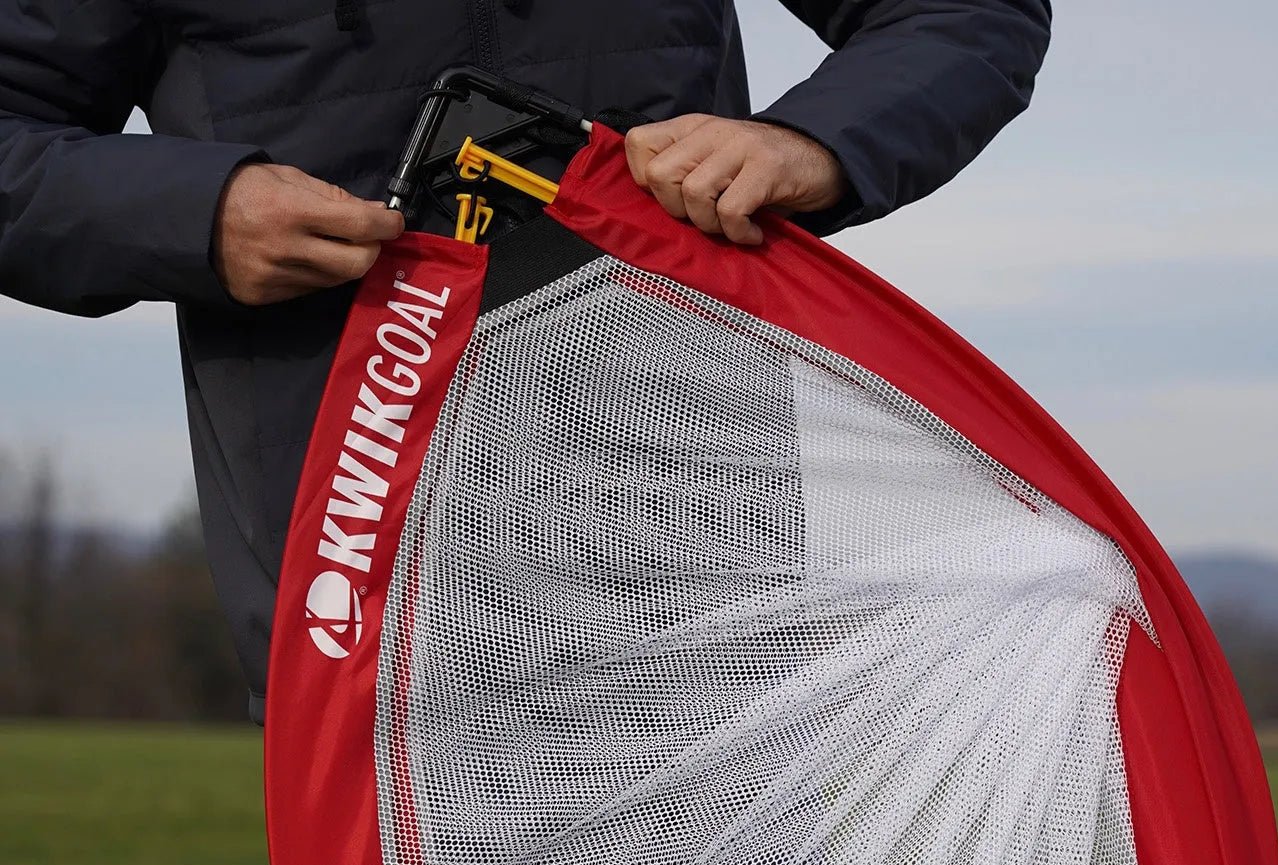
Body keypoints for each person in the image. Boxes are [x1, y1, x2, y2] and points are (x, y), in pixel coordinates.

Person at [0, 0, 1052, 723]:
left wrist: (812, 142)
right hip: (368, 610)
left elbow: (966, 12)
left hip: (703, 590)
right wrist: (199, 212)